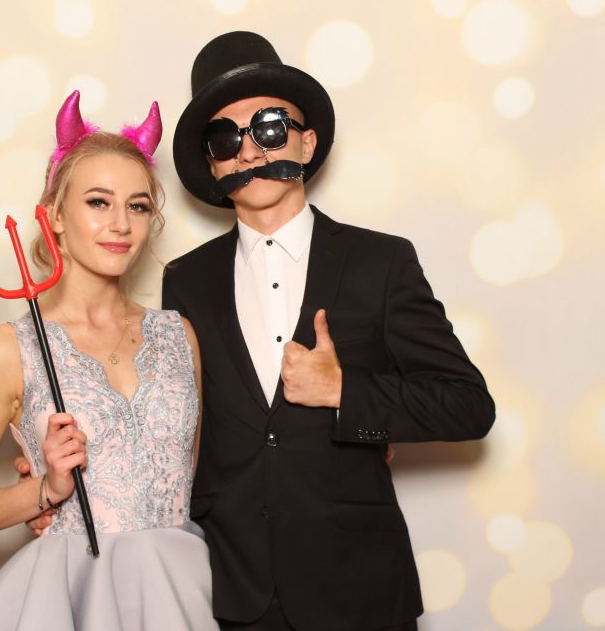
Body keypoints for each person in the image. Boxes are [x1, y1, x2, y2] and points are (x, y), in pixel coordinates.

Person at [160, 31, 497, 630]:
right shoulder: (184, 280)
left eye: (269, 128)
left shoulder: (381, 262)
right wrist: (60, 485)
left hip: (358, 588)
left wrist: (346, 392)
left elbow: (468, 406)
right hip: (232, 590)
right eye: (225, 138)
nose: (250, 151)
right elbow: (173, 425)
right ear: (212, 165)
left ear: (307, 140)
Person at [0, 91, 218, 630]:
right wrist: (45, 492)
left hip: (180, 588)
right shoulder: (8, 350)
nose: (121, 224)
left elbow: (190, 479)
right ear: (55, 217)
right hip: (73, 593)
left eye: (138, 206)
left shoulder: (179, 336)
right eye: (98, 202)